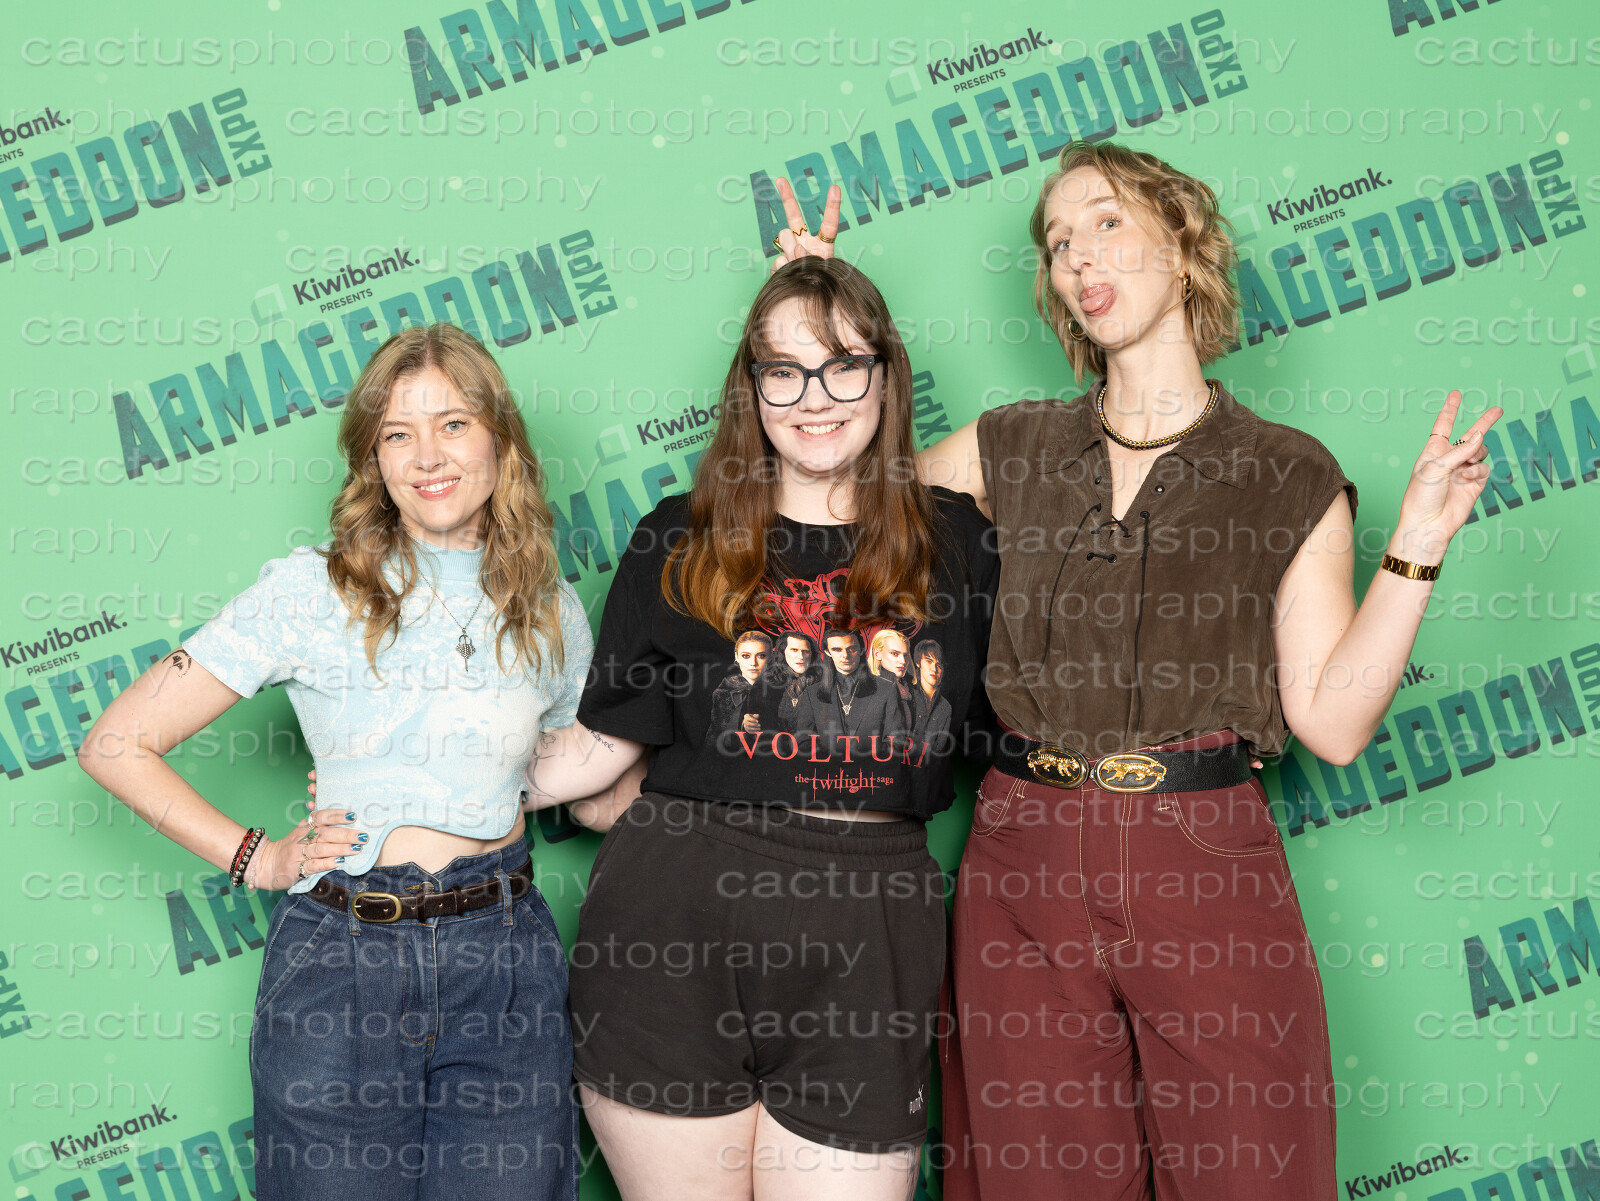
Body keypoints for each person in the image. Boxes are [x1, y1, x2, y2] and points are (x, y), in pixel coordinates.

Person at [768, 140, 1501, 1200]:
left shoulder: (1285, 471)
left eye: (1106, 221)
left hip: (1202, 854)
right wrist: (819, 321)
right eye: (1058, 241)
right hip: (1022, 852)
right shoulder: (1010, 446)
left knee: (1252, 1174)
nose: (1077, 254)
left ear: (1184, 242)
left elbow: (1332, 723)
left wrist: (1420, 541)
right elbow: (840, 508)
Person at [76, 323, 619, 1201]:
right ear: (374, 458)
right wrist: (258, 857)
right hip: (342, 963)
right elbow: (116, 742)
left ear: (500, 440)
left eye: (453, 424)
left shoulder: (550, 606)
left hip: (506, 957)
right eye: (398, 433)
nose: (427, 456)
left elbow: (561, 770)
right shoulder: (311, 590)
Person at [521, 256, 1000, 1199]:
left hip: (869, 934)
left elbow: (1018, 725)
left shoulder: (959, 543)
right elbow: (600, 747)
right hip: (673, 923)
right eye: (784, 370)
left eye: (844, 366)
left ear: (888, 375)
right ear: (752, 388)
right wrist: (421, 784)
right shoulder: (679, 535)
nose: (814, 397)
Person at [792, 626, 910, 744]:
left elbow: (895, 742)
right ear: (828, 652)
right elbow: (804, 742)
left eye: (852, 649)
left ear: (862, 650)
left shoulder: (887, 689)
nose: (845, 655)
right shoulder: (811, 694)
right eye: (837, 650)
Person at [705, 629, 773, 749]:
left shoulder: (781, 690)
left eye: (761, 656)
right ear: (736, 656)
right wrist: (741, 724)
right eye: (746, 656)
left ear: (771, 658)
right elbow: (715, 737)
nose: (753, 663)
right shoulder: (723, 693)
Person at [868, 628, 915, 730]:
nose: (903, 661)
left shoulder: (907, 689)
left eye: (906, 655)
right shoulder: (871, 689)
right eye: (895, 653)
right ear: (877, 654)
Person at [907, 640, 950, 746]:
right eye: (929, 661)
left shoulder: (946, 707)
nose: (934, 669)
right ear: (918, 663)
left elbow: (939, 748)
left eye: (938, 665)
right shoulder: (907, 695)